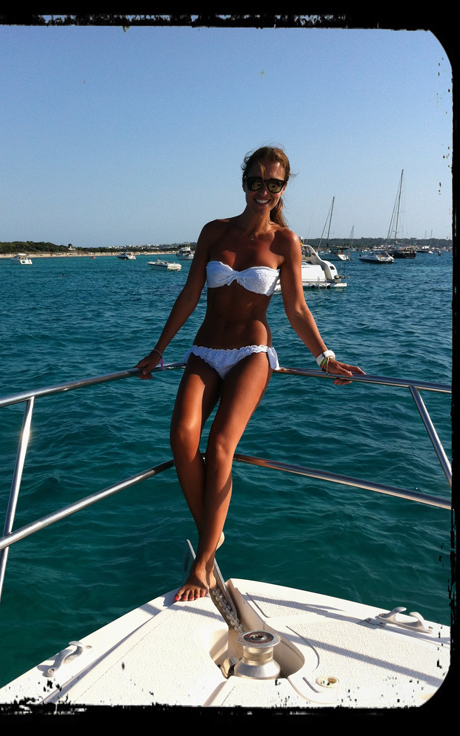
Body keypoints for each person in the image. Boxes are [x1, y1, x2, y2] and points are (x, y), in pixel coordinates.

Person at [135, 146, 364, 603]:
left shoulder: (285, 242)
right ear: (244, 183)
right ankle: (212, 531)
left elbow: (296, 308)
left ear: (283, 188)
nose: (263, 190)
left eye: (273, 184)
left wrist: (324, 357)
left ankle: (203, 560)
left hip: (252, 352)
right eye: (256, 181)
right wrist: (158, 350)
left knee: (221, 445)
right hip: (204, 349)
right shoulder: (214, 231)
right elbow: (189, 294)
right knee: (182, 437)